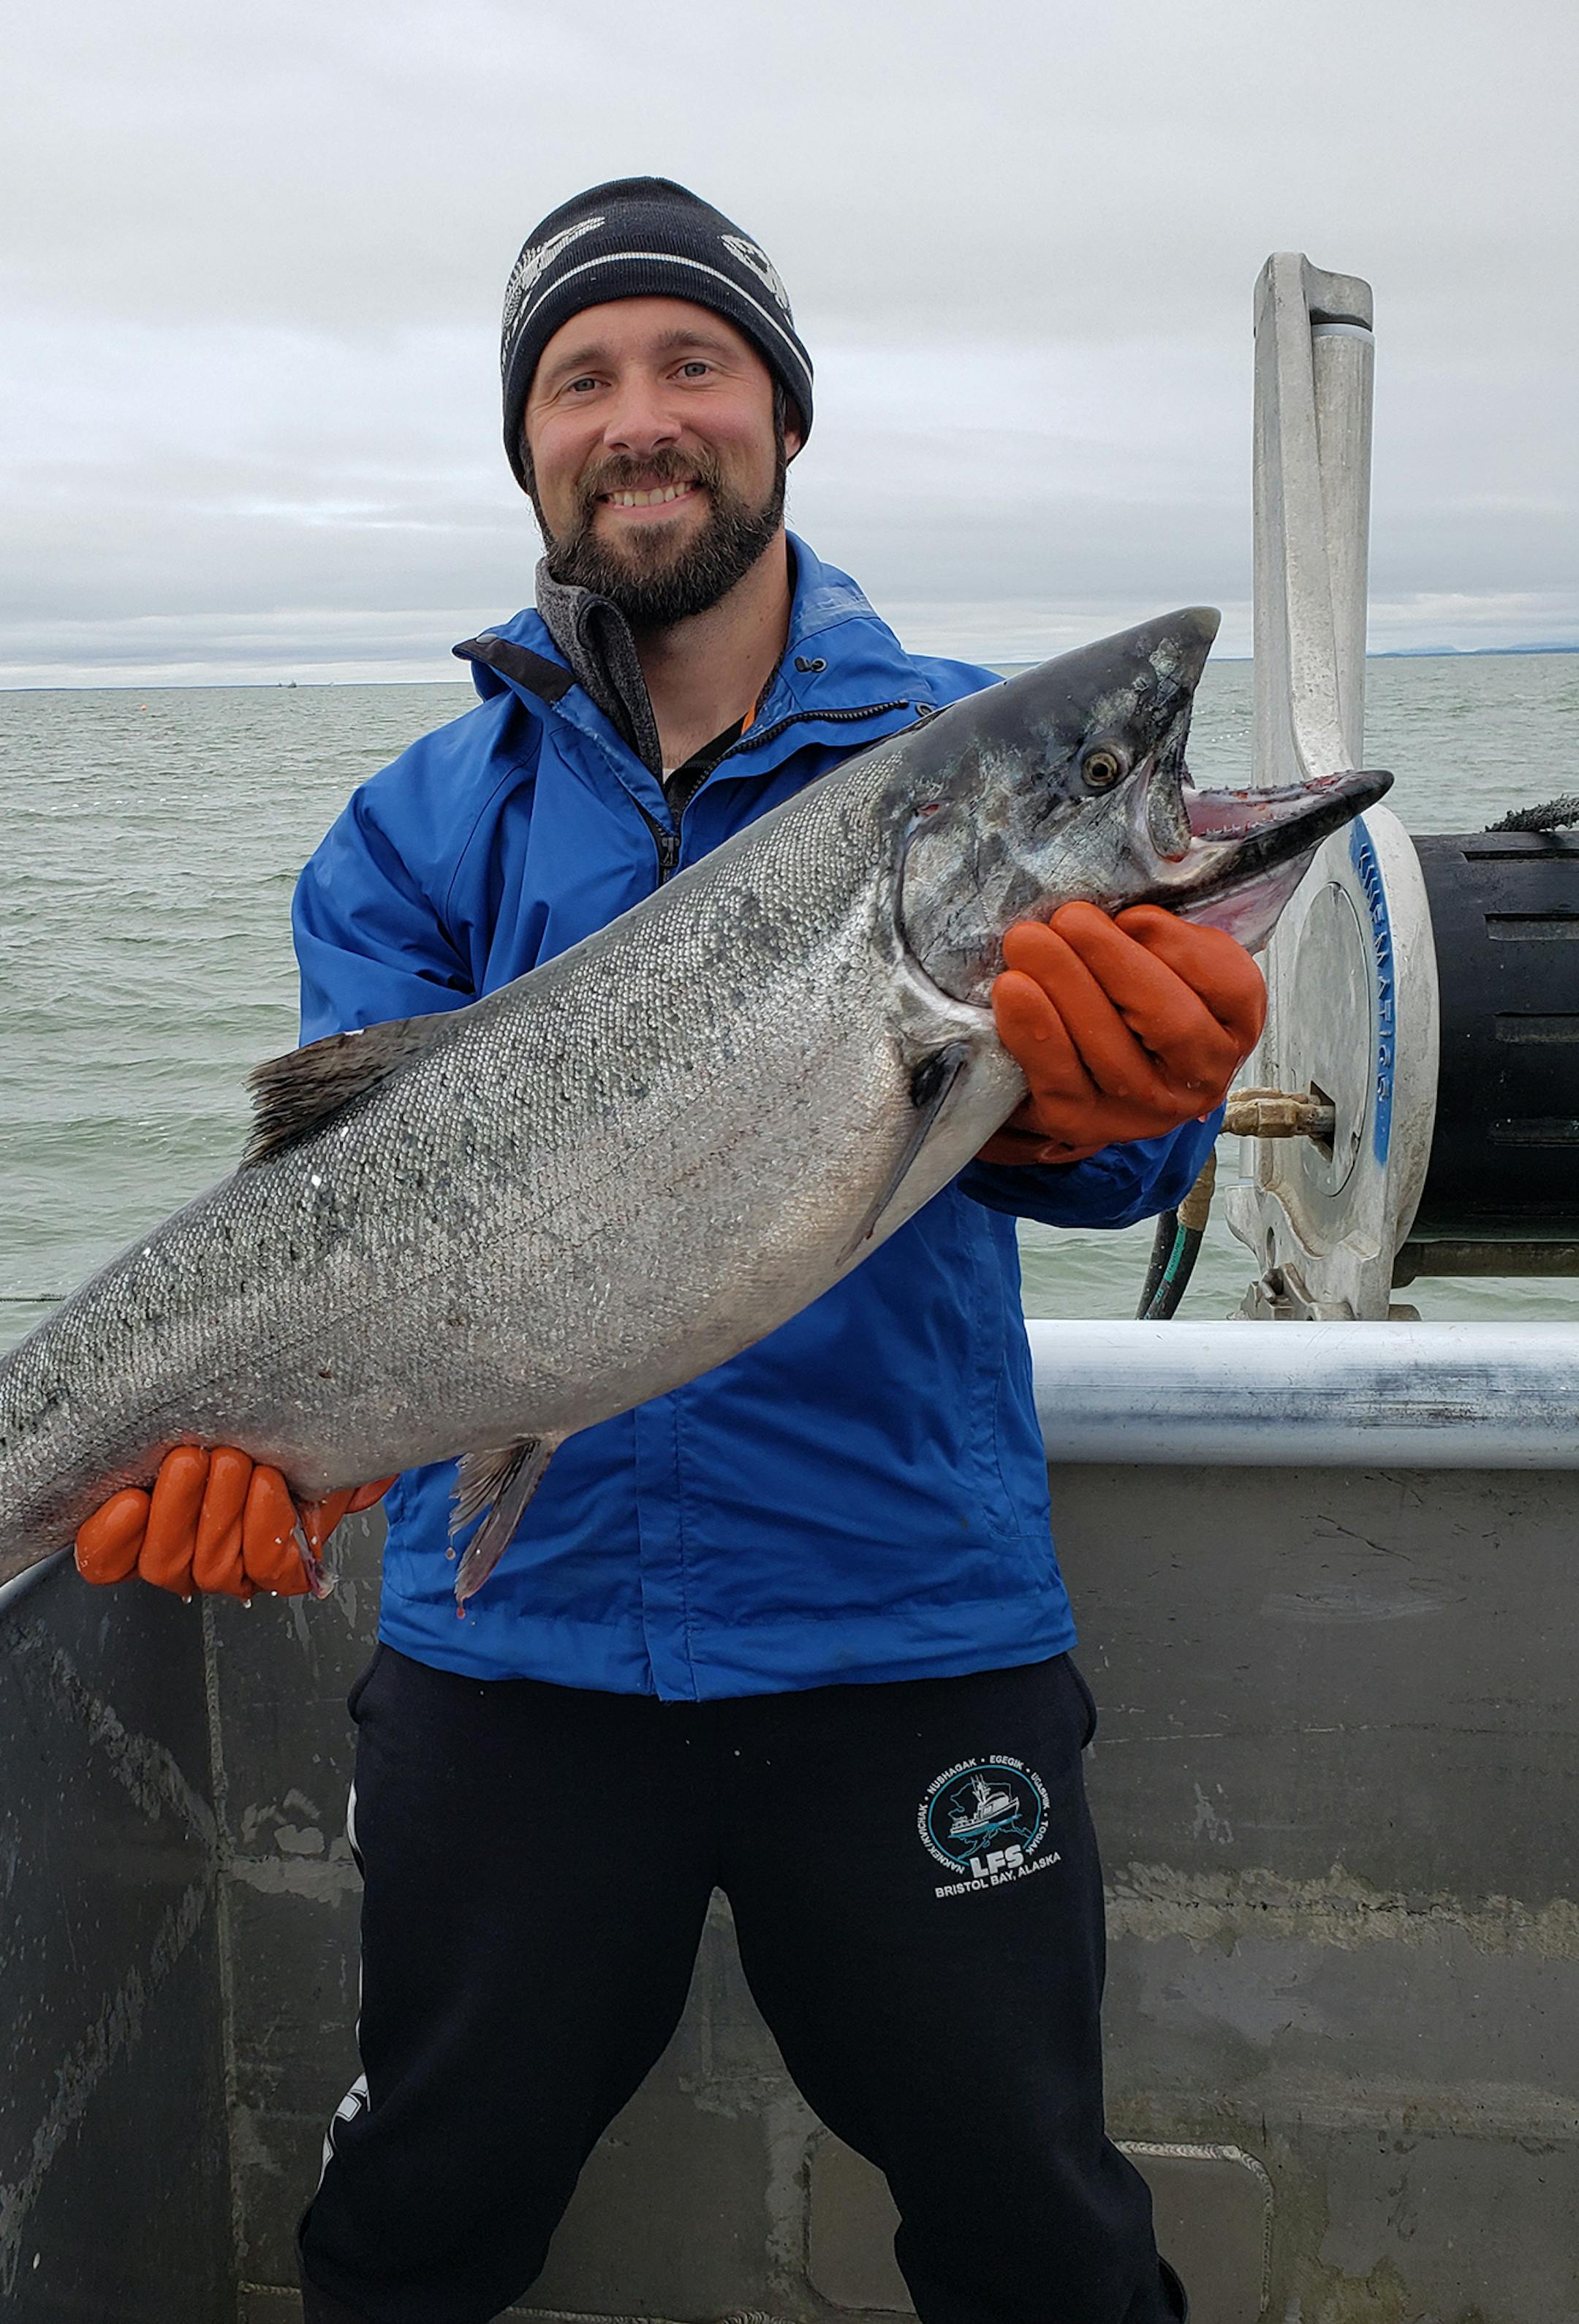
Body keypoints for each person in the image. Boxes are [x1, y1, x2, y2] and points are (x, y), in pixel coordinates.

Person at [76, 179, 1265, 2323]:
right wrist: (276, 1451)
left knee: (1042, 2244)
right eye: (583, 377)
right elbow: (334, 1209)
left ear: (784, 422)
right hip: (508, 1659)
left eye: (694, 363)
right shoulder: (414, 829)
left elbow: (1106, 1179)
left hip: (908, 1631)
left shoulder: (970, 754)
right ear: (534, 447)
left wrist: (1131, 1108)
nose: (643, 416)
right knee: (408, 2238)